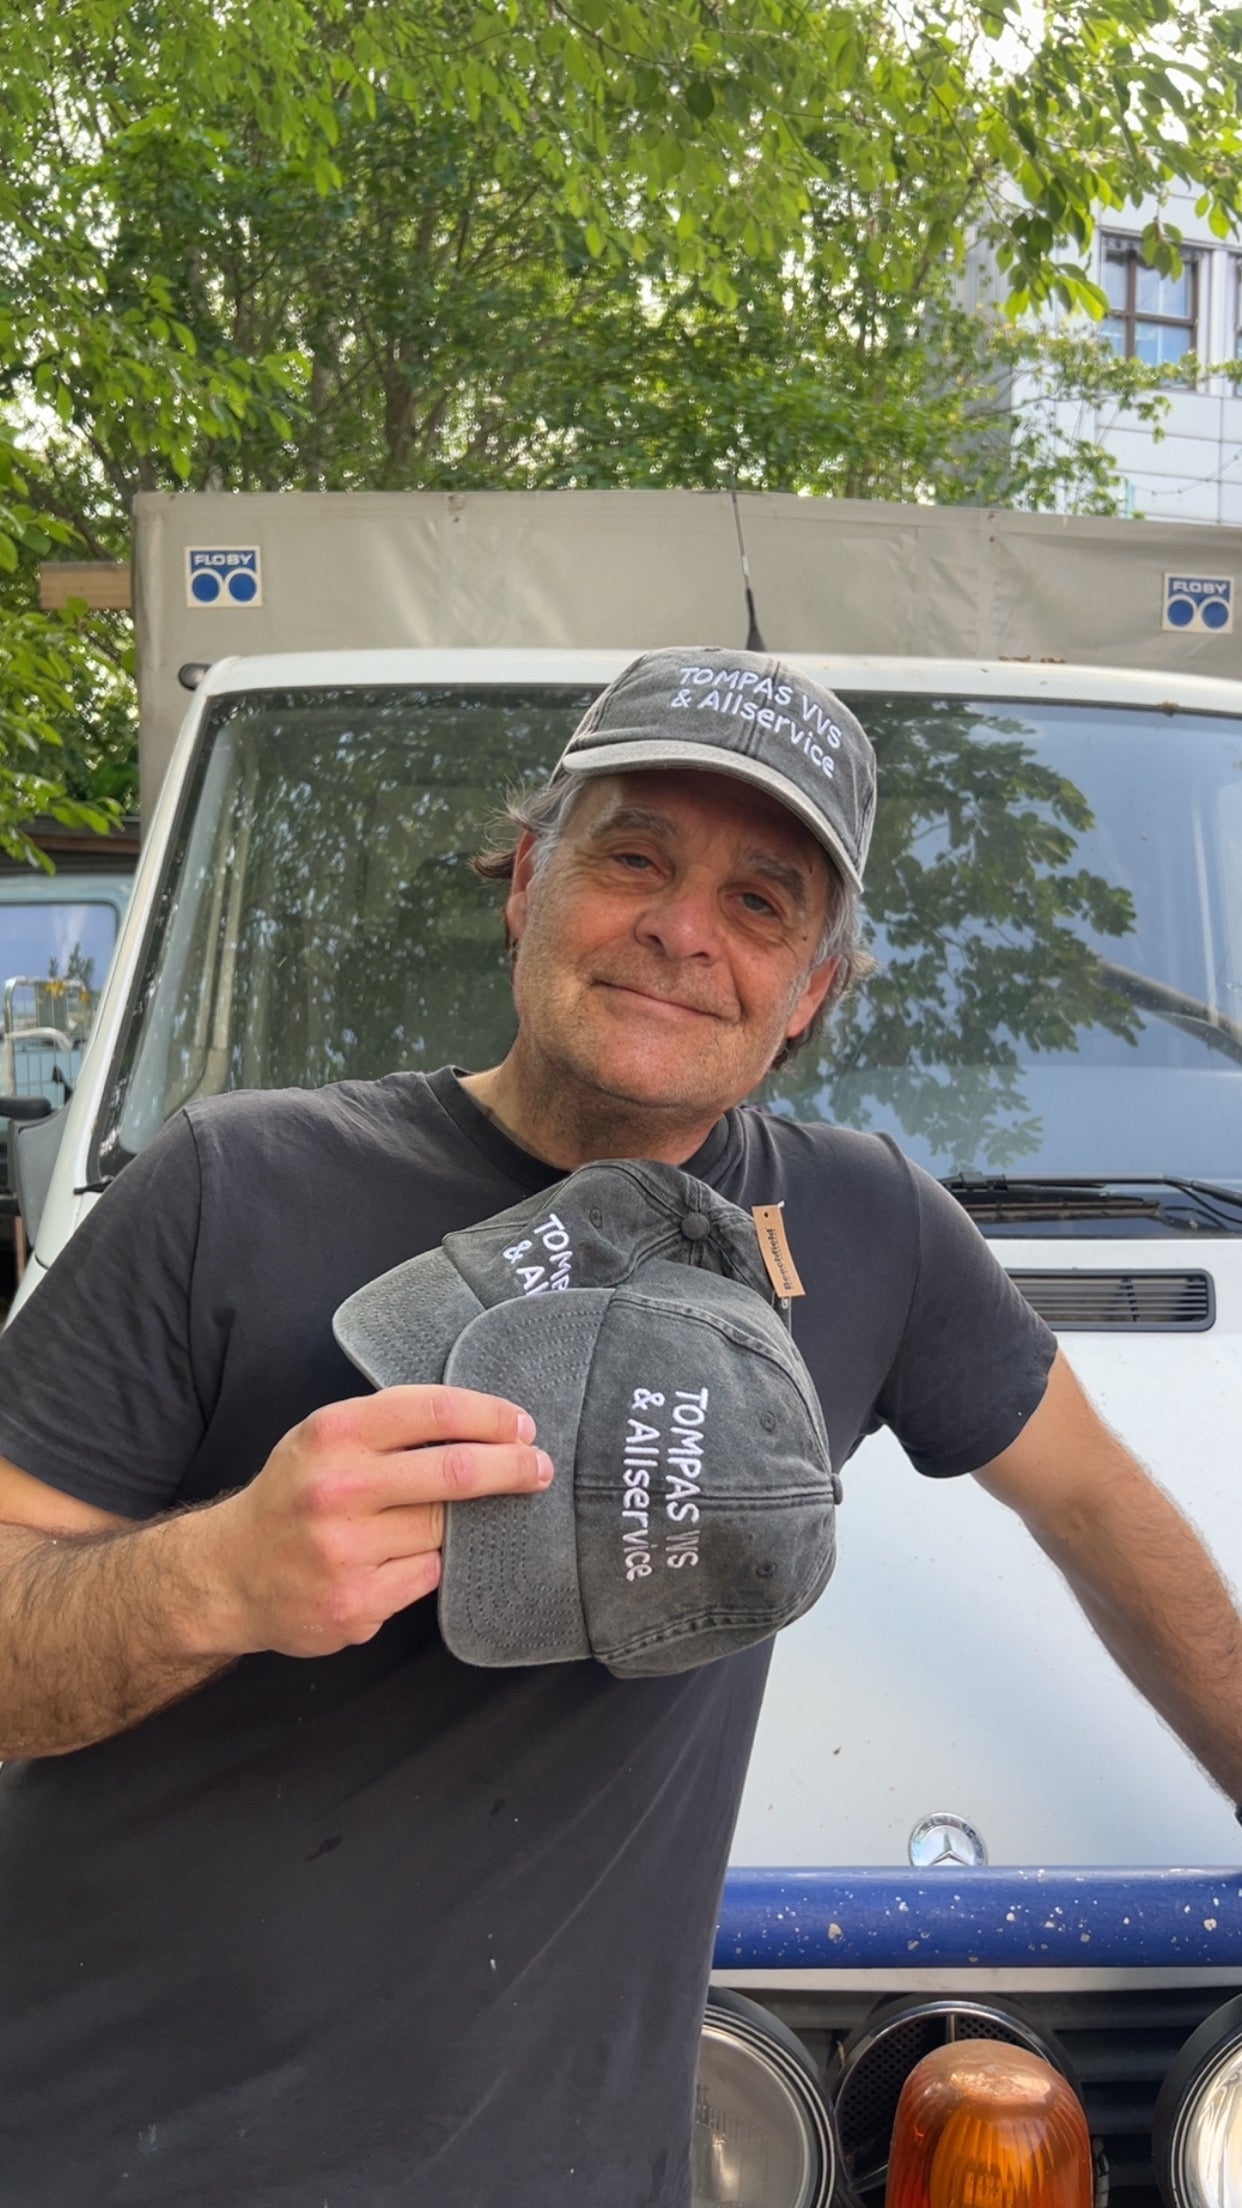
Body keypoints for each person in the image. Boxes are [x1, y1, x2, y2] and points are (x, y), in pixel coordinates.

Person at [0, 645, 1239, 2207]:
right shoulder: (226, 1185)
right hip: (126, 2149)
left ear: (810, 992)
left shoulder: (868, 1229)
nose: (680, 929)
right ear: (528, 882)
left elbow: (1097, 1506)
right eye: (632, 859)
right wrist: (220, 1578)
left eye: (760, 902)